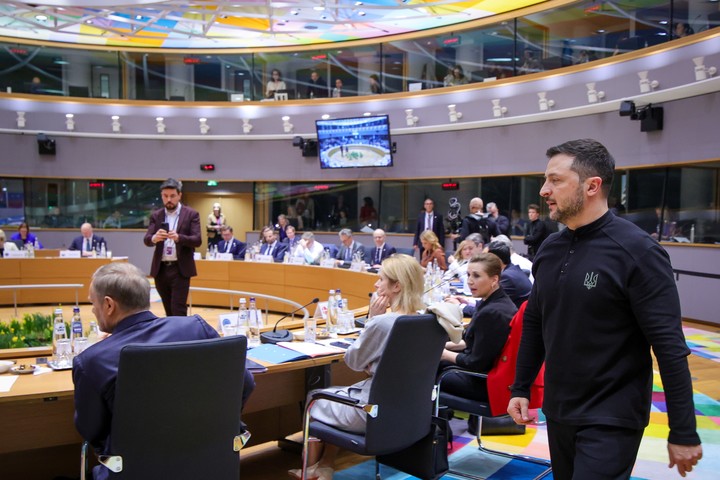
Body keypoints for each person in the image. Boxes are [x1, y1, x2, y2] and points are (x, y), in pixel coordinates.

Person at [508, 139, 702, 479]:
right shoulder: (551, 249)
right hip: (559, 410)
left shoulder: (638, 252)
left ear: (592, 186)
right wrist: (521, 387)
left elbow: (670, 348)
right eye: (545, 179)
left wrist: (683, 430)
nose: (543, 190)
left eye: (555, 180)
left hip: (612, 415)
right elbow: (536, 321)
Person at [72, 262, 255, 480]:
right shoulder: (197, 328)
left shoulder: (93, 360)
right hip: (210, 465)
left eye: (93, 303)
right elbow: (245, 383)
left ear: (109, 305)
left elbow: (91, 431)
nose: (92, 309)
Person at [289, 254, 426, 480]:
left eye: (381, 279)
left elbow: (353, 362)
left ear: (397, 286)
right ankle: (325, 464)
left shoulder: (383, 323)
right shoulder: (424, 320)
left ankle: (309, 471)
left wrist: (372, 318)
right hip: (408, 412)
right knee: (339, 396)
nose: (375, 284)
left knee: (315, 397)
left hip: (374, 413)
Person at [440, 253, 516, 432]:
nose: (469, 281)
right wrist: (445, 347)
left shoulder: (493, 313)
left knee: (430, 371)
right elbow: (472, 343)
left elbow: (476, 362)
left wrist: (442, 353)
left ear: (494, 279)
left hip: (486, 384)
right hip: (490, 375)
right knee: (436, 362)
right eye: (468, 275)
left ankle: (436, 433)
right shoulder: (495, 302)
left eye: (476, 276)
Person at [143, 178, 201, 316]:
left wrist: (179, 238)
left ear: (179, 195)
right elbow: (147, 239)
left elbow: (197, 240)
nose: (169, 199)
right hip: (161, 269)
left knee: (178, 308)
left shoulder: (191, 214)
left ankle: (182, 337)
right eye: (165, 196)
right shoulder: (156, 215)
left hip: (180, 268)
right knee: (168, 308)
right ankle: (172, 336)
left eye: (172, 196)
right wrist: (154, 238)